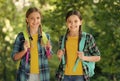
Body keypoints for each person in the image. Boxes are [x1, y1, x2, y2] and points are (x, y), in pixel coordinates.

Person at [56, 10, 101, 81]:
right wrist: (59, 55)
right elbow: (61, 59)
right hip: (63, 75)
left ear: (80, 22)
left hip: (80, 76)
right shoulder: (63, 38)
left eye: (75, 21)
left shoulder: (88, 38)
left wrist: (84, 57)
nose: (72, 24)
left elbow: (98, 57)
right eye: (69, 21)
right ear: (66, 23)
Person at [11, 7, 52, 81]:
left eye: (38, 18)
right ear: (27, 20)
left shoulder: (46, 37)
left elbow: (49, 57)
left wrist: (48, 50)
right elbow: (14, 57)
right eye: (32, 18)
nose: (35, 21)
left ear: (40, 19)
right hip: (25, 75)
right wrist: (24, 51)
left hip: (42, 76)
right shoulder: (21, 36)